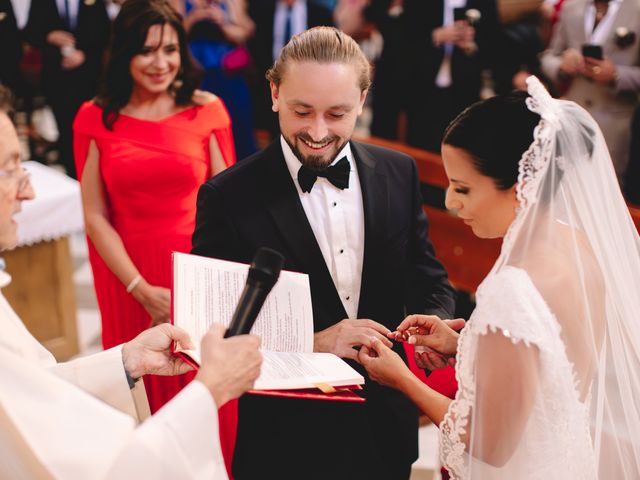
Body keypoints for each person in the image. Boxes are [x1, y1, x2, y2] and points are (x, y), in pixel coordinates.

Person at [192, 26, 456, 479]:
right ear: (274, 93)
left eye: (337, 114)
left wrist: (433, 319)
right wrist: (312, 344)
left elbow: (425, 273)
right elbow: (211, 329)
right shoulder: (228, 195)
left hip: (384, 427)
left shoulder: (398, 172)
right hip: (285, 437)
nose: (317, 132)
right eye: (302, 111)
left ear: (363, 99)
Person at [359, 76, 640, 478]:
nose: (450, 202)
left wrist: (401, 378)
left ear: (521, 184)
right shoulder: (580, 248)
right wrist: (465, 344)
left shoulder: (513, 286)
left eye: (463, 189)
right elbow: (550, 370)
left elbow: (490, 443)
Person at [0, 84, 262, 479]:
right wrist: (211, 390)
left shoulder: (206, 109)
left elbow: (38, 397)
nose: (29, 189)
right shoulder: (97, 115)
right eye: (9, 168)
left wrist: (124, 362)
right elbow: (102, 466)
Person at [73, 0, 238, 466]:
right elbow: (94, 215)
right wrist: (139, 288)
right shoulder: (95, 116)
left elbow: (228, 207)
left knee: (202, 395)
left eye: (170, 49)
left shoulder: (208, 111)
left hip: (195, 271)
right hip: (130, 274)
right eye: (146, 50)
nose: (160, 62)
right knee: (142, 400)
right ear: (124, 53)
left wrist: (211, 285)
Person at [540, 0, 640, 184]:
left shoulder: (636, 9)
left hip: (616, 121)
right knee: (564, 184)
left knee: (607, 188)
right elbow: (549, 56)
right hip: (571, 116)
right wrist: (561, 66)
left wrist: (617, 75)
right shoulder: (571, 7)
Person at [24, 0, 111, 178]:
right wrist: (49, 36)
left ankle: (94, 174)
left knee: (91, 129)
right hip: (56, 80)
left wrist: (84, 54)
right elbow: (30, 32)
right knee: (66, 131)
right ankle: (72, 177)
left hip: (89, 79)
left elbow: (105, 32)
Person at [172, 0, 258, 160]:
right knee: (196, 133)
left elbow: (246, 31)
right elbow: (173, 33)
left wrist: (223, 22)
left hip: (228, 74)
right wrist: (195, 16)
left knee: (238, 132)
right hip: (194, 76)